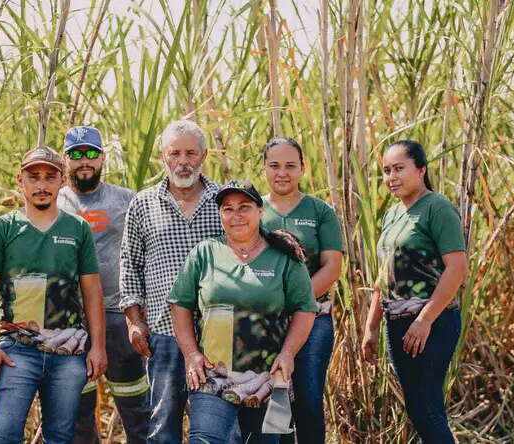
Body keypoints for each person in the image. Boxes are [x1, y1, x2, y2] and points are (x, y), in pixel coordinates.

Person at [168, 180, 319, 444]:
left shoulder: (285, 256)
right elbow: (180, 304)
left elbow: (305, 309)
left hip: (269, 378)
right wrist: (191, 355)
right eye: (227, 209)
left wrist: (288, 354)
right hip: (213, 374)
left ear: (260, 211)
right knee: (204, 440)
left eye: (244, 207)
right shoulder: (204, 253)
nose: (235, 216)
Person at [0, 146, 107, 444]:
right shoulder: (2, 230)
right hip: (17, 351)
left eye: (50, 177)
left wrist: (98, 347)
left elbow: (93, 292)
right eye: (34, 177)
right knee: (5, 435)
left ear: (62, 180)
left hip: (67, 353)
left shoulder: (78, 229)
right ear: (21, 180)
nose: (42, 185)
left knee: (59, 437)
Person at [119, 120, 223, 443]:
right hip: (163, 335)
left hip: (217, 334)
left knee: (217, 424)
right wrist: (134, 320)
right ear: (163, 157)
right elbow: (129, 265)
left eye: (191, 152)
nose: (183, 161)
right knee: (164, 425)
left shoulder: (224, 202)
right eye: (175, 153)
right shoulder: (143, 204)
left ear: (204, 154)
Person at [362, 140, 468, 443]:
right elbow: (384, 276)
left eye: (399, 168)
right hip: (396, 325)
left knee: (426, 409)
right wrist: (371, 327)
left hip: (433, 323)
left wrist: (424, 320)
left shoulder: (437, 207)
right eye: (385, 171)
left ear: (421, 170)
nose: (391, 177)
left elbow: (457, 268)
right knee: (419, 408)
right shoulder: (392, 214)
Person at [58, 126, 150, 444]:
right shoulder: (54, 202)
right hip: (72, 323)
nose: (85, 161)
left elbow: (147, 252)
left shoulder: (126, 199)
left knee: (136, 408)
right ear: (65, 159)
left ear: (102, 157)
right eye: (77, 154)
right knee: (78, 413)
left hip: (118, 316)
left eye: (91, 153)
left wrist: (141, 312)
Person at [261, 136, 343, 443]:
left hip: (314, 318)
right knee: (275, 403)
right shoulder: (252, 211)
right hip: (266, 323)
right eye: (274, 165)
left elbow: (332, 268)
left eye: (290, 166)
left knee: (307, 399)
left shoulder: (320, 211)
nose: (282, 173)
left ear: (302, 169)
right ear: (264, 168)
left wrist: (293, 300)